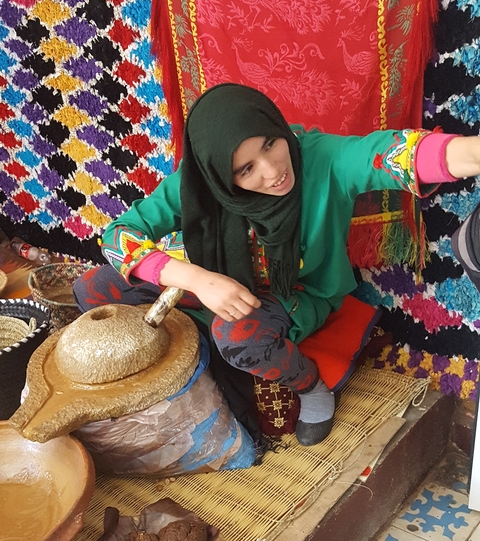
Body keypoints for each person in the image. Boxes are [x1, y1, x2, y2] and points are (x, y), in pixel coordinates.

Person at [74, 83, 480, 448]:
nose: (272, 172)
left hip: (292, 295)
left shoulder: (323, 162)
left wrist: (472, 152)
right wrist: (198, 278)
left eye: (270, 143)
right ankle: (187, 352)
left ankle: (312, 386)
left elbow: (396, 153)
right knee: (92, 289)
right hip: (209, 283)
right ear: (219, 175)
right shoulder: (198, 184)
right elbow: (116, 236)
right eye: (245, 169)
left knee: (237, 337)